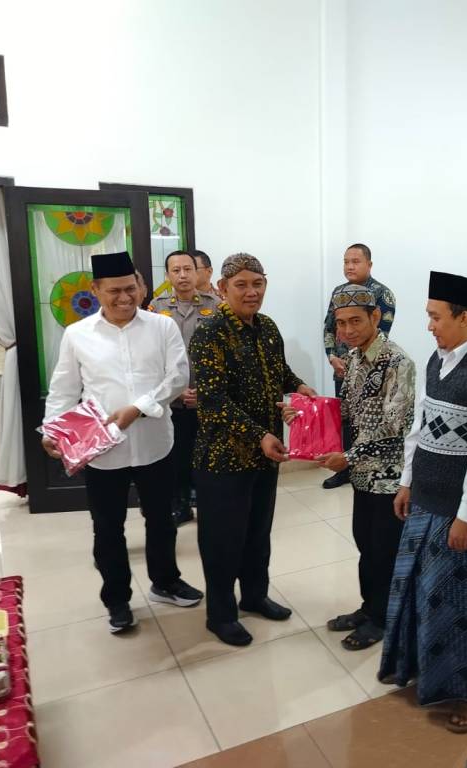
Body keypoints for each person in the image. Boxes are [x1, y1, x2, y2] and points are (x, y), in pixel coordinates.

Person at [379, 271, 467, 733]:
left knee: (456, 606)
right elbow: (419, 428)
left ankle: (466, 696)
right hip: (424, 503)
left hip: (457, 515)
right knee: (417, 589)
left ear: (465, 316)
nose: (430, 326)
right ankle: (421, 674)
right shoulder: (436, 361)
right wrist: (405, 481)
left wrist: (466, 516)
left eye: (437, 317)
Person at [42, 251, 203, 634]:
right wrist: (53, 429)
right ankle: (117, 600)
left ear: (141, 287)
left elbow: (177, 377)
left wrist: (139, 408)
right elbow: (63, 390)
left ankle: (165, 581)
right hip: (102, 450)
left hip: (155, 443)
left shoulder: (161, 327)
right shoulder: (78, 335)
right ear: (96, 290)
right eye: (114, 291)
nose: (124, 298)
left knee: (162, 520)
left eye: (130, 289)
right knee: (108, 528)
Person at [189, 253, 318, 647]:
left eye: (257, 283)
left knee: (258, 531)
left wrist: (301, 387)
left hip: (266, 455)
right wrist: (259, 433)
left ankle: (255, 595)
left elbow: (279, 372)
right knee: (223, 537)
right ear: (222, 288)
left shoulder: (267, 328)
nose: (251, 292)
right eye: (241, 284)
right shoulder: (209, 333)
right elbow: (213, 401)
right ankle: (221, 613)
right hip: (223, 458)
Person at [309, 283, 415, 650]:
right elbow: (347, 414)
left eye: (356, 321)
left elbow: (394, 425)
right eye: (341, 323)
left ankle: (383, 619)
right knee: (364, 543)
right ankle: (369, 608)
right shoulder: (353, 359)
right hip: (361, 476)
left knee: (383, 549)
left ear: (375, 317)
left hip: (388, 477)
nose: (348, 330)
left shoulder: (397, 362)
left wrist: (348, 457)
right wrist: (307, 417)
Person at [147, 250, 219, 526]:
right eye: (175, 270)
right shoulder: (156, 307)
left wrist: (207, 392)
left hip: (208, 398)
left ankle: (208, 503)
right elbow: (151, 357)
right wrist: (176, 391)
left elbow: (223, 353)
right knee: (176, 454)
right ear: (168, 275)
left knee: (208, 454)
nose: (183, 275)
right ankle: (180, 505)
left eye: (188, 269)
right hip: (172, 400)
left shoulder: (215, 305)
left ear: (198, 272)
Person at [321, 243, 396, 489]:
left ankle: (363, 463)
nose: (350, 266)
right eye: (346, 261)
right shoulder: (338, 292)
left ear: (369, 265)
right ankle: (344, 468)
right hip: (342, 368)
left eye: (355, 261)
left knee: (370, 418)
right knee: (344, 418)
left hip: (371, 369)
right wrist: (332, 356)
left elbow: (377, 337)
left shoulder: (382, 295)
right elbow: (329, 327)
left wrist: (356, 362)